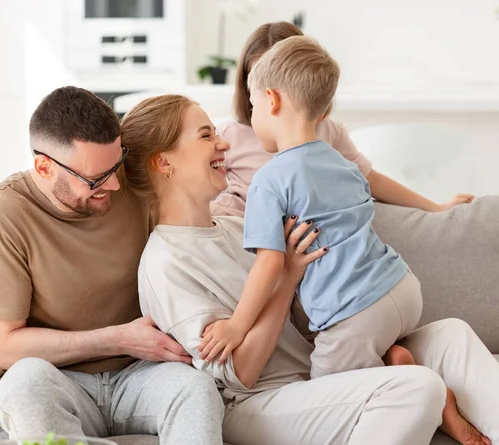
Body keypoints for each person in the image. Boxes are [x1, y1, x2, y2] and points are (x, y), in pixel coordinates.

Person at [121, 93, 499, 445]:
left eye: (217, 133)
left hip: (314, 369)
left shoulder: (238, 226)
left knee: (452, 335)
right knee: (418, 388)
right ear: (163, 161)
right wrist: (286, 280)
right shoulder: (165, 264)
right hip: (257, 401)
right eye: (206, 136)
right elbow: (242, 371)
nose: (224, 144)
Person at [197, 35, 490, 445]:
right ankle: (392, 361)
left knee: (331, 395)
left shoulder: (270, 180)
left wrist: (236, 325)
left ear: (272, 100)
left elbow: (269, 263)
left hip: (355, 315)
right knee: (365, 360)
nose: (251, 115)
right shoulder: (343, 164)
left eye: (253, 103)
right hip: (402, 289)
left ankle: (424, 391)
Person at [0, 86, 224, 445]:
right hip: (57, 380)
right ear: (44, 166)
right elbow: (4, 347)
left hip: (141, 375)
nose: (115, 184)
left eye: (116, 165)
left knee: (195, 389)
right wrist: (119, 339)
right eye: (95, 179)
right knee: (25, 384)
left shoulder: (126, 184)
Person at [210, 21, 474, 219]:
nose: (270, 94)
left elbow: (371, 179)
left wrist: (436, 208)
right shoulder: (227, 136)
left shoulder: (328, 132)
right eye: (257, 78)